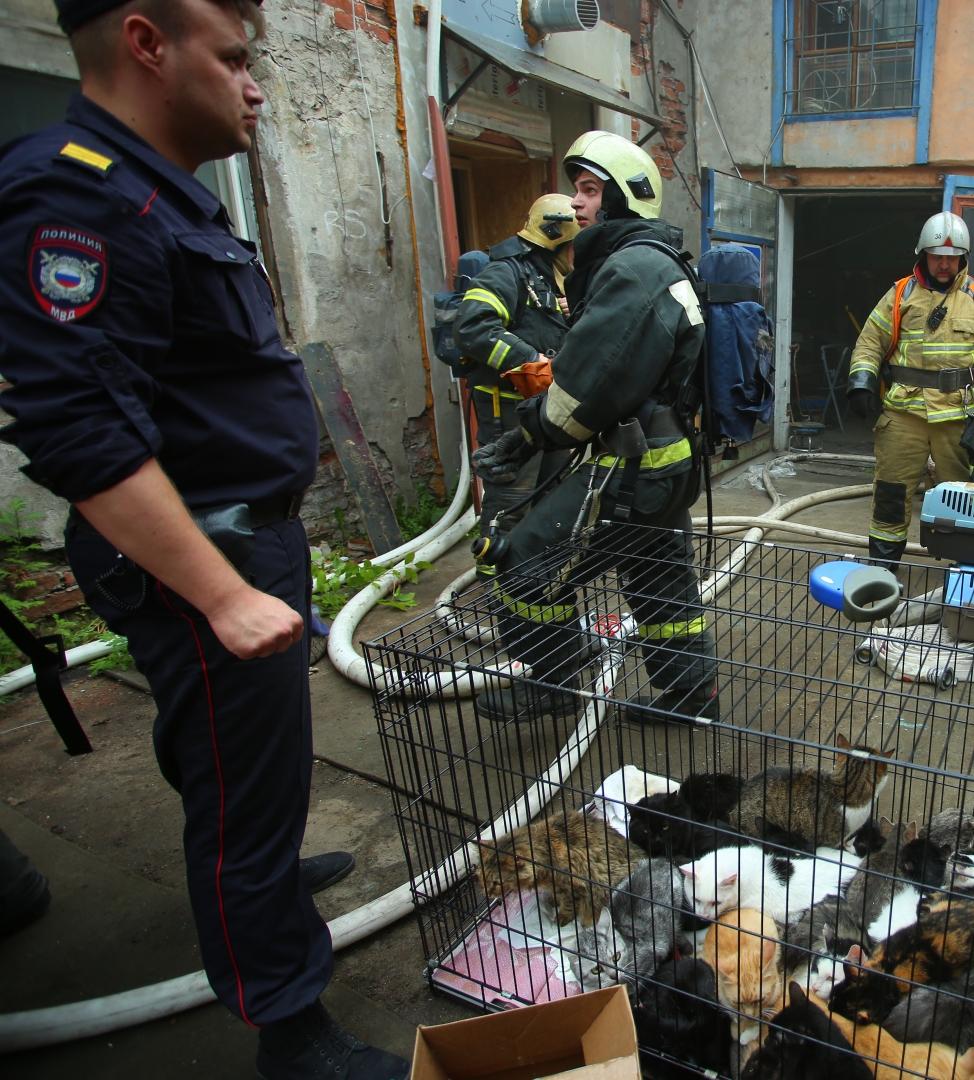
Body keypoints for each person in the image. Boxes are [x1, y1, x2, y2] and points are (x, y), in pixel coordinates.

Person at [0, 0, 404, 1076]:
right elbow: (78, 427)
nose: (255, 83)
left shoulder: (158, 190)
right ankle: (293, 1027)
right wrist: (222, 595)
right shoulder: (76, 196)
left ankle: (255, 872)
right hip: (203, 558)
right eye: (233, 59)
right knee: (239, 796)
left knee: (238, 775)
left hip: (238, 538)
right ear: (146, 43)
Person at [469, 131, 718, 725]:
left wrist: (527, 435)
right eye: (576, 189)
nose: (575, 203)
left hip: (626, 467)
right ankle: (692, 695)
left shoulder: (634, 268)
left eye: (588, 190)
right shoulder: (654, 261)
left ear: (626, 199)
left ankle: (554, 681)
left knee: (521, 563)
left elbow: (591, 384)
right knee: (657, 571)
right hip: (662, 465)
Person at [846, 212, 974, 567]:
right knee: (890, 494)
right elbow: (870, 341)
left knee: (965, 497)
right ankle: (883, 569)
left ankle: (968, 568)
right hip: (903, 415)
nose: (944, 264)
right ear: (923, 255)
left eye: (952, 256)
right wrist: (861, 382)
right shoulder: (901, 294)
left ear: (963, 257)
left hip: (957, 418)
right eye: (936, 255)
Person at [454, 192, 578, 535]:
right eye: (575, 246)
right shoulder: (506, 273)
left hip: (546, 410)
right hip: (508, 411)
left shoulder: (551, 279)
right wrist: (531, 360)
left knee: (551, 496)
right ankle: (499, 585)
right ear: (556, 240)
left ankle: (541, 581)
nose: (578, 256)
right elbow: (472, 326)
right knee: (512, 502)